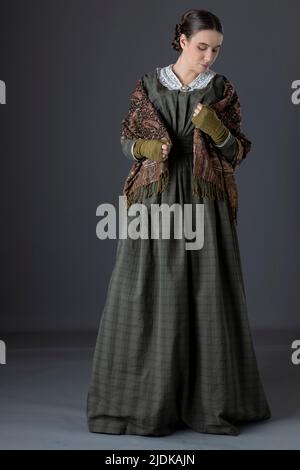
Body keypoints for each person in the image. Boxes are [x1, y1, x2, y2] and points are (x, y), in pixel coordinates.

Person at [86, 8, 271, 437]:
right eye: (203, 47)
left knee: (208, 292)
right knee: (148, 293)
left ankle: (210, 400)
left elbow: (238, 151)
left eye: (216, 50)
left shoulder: (221, 89)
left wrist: (216, 129)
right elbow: (126, 139)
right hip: (155, 200)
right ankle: (146, 402)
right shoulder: (149, 85)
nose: (209, 57)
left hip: (205, 199)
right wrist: (149, 150)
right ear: (183, 41)